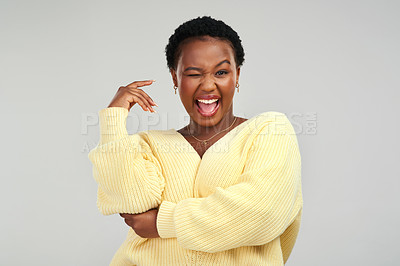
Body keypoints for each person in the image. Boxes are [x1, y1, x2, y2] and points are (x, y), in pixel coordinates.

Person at [88, 16, 303, 266]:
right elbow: (131, 202)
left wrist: (162, 222)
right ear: (175, 78)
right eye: (193, 74)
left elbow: (261, 214)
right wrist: (114, 118)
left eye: (221, 72)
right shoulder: (150, 145)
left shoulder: (269, 131)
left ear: (237, 75)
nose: (208, 85)